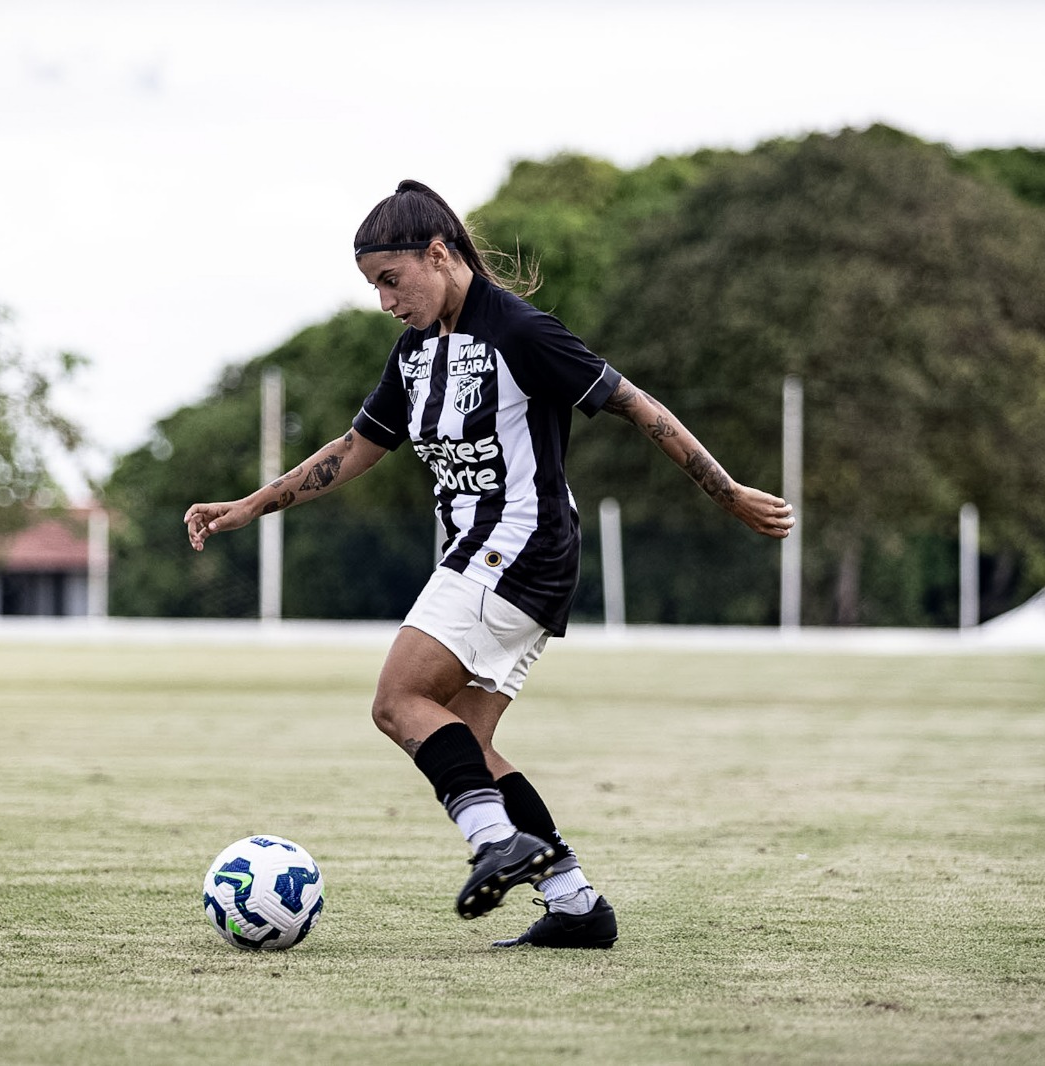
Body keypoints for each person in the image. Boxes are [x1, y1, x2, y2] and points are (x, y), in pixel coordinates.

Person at [184, 180, 794, 949]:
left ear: (438, 255)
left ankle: (495, 843)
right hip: (493, 556)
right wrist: (249, 505)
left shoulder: (520, 330)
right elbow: (351, 452)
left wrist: (727, 489)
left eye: (390, 279)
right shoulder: (414, 353)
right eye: (372, 285)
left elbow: (634, 402)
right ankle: (576, 906)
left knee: (396, 701)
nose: (382, 300)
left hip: (520, 545)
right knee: (464, 742)